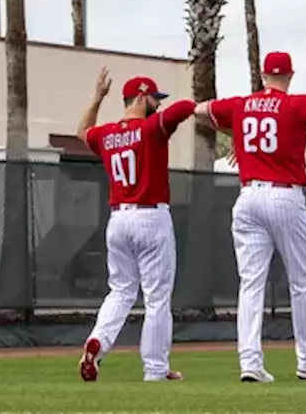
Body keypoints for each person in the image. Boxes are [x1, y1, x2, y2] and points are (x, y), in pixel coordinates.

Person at [193, 35, 306, 383]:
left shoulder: (241, 105)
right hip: (284, 196)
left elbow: (200, 110)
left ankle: (250, 362)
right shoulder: (296, 104)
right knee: (300, 282)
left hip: (249, 197)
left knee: (250, 284)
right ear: (290, 76)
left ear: (263, 76)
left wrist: (237, 137)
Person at [78, 69, 196, 383]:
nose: (158, 104)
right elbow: (183, 108)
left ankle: (98, 342)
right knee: (157, 298)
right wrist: (202, 107)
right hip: (150, 217)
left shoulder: (106, 135)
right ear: (141, 97)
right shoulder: (150, 129)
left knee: (120, 291)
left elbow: (83, 131)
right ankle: (155, 369)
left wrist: (97, 97)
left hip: (118, 220)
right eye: (154, 99)